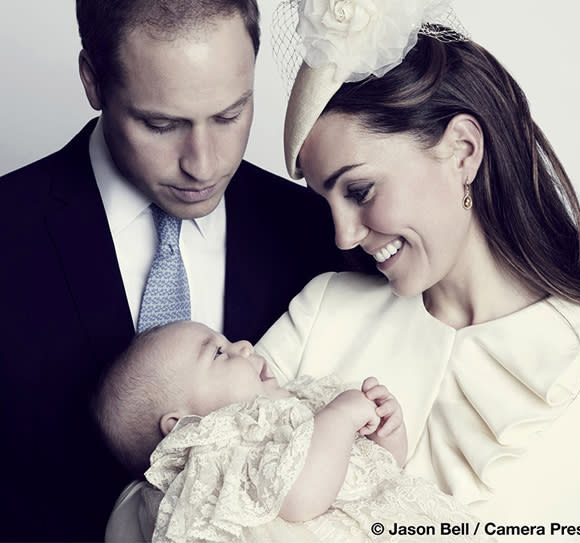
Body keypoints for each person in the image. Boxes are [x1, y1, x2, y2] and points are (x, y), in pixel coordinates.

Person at [0, 1, 369, 540]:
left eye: (229, 115)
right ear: (93, 81)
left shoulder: (321, 233)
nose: (204, 163)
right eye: (161, 124)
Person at [255, 0, 580, 539]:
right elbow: (183, 482)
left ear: (463, 150)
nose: (343, 235)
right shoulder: (322, 311)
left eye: (360, 190)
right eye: (328, 203)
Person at [95, 320, 493, 542]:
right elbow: (300, 496)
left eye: (228, 340)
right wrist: (339, 418)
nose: (245, 345)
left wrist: (384, 435)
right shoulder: (219, 452)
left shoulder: (300, 402)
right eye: (218, 353)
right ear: (182, 427)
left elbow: (372, 475)